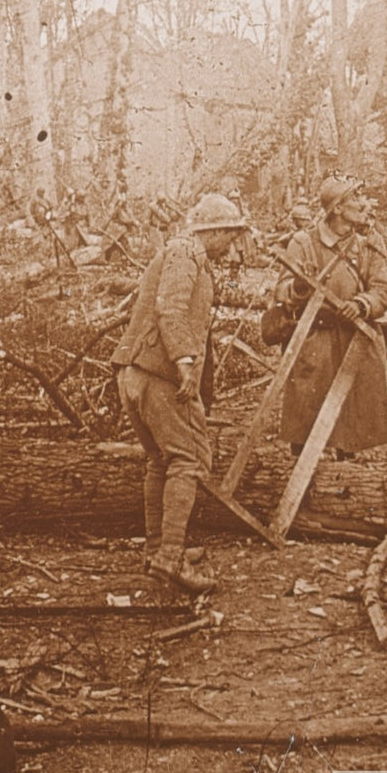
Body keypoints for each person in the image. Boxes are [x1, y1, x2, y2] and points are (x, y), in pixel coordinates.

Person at [111, 193, 248, 595]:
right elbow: (169, 307)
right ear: (216, 231)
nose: (234, 245)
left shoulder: (180, 253)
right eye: (232, 235)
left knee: (159, 460)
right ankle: (171, 556)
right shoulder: (186, 253)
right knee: (188, 460)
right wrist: (185, 362)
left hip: (134, 374)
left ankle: (158, 550)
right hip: (160, 376)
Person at [273, 175, 387, 460]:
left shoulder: (368, 244)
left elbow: (383, 290)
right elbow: (280, 290)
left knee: (350, 428)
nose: (364, 205)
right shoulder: (303, 242)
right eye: (356, 199)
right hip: (314, 344)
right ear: (337, 208)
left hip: (354, 344)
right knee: (307, 424)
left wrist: (363, 304)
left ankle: (344, 489)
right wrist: (299, 288)